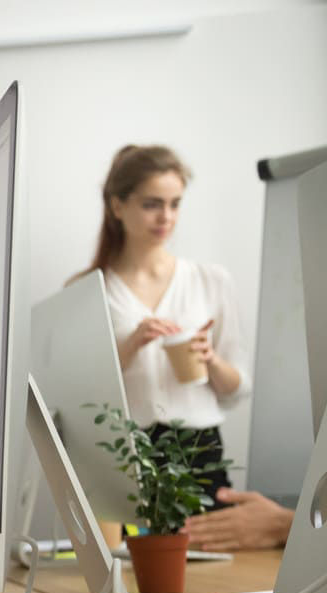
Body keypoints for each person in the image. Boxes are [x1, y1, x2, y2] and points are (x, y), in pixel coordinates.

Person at [79, 144, 251, 513]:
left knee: (218, 567)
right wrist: (130, 345)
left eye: (175, 204)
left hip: (201, 454)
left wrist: (210, 359)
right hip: (127, 455)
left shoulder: (211, 280)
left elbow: (238, 389)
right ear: (117, 205)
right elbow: (78, 397)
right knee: (132, 568)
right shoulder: (88, 293)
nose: (166, 217)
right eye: (152, 204)